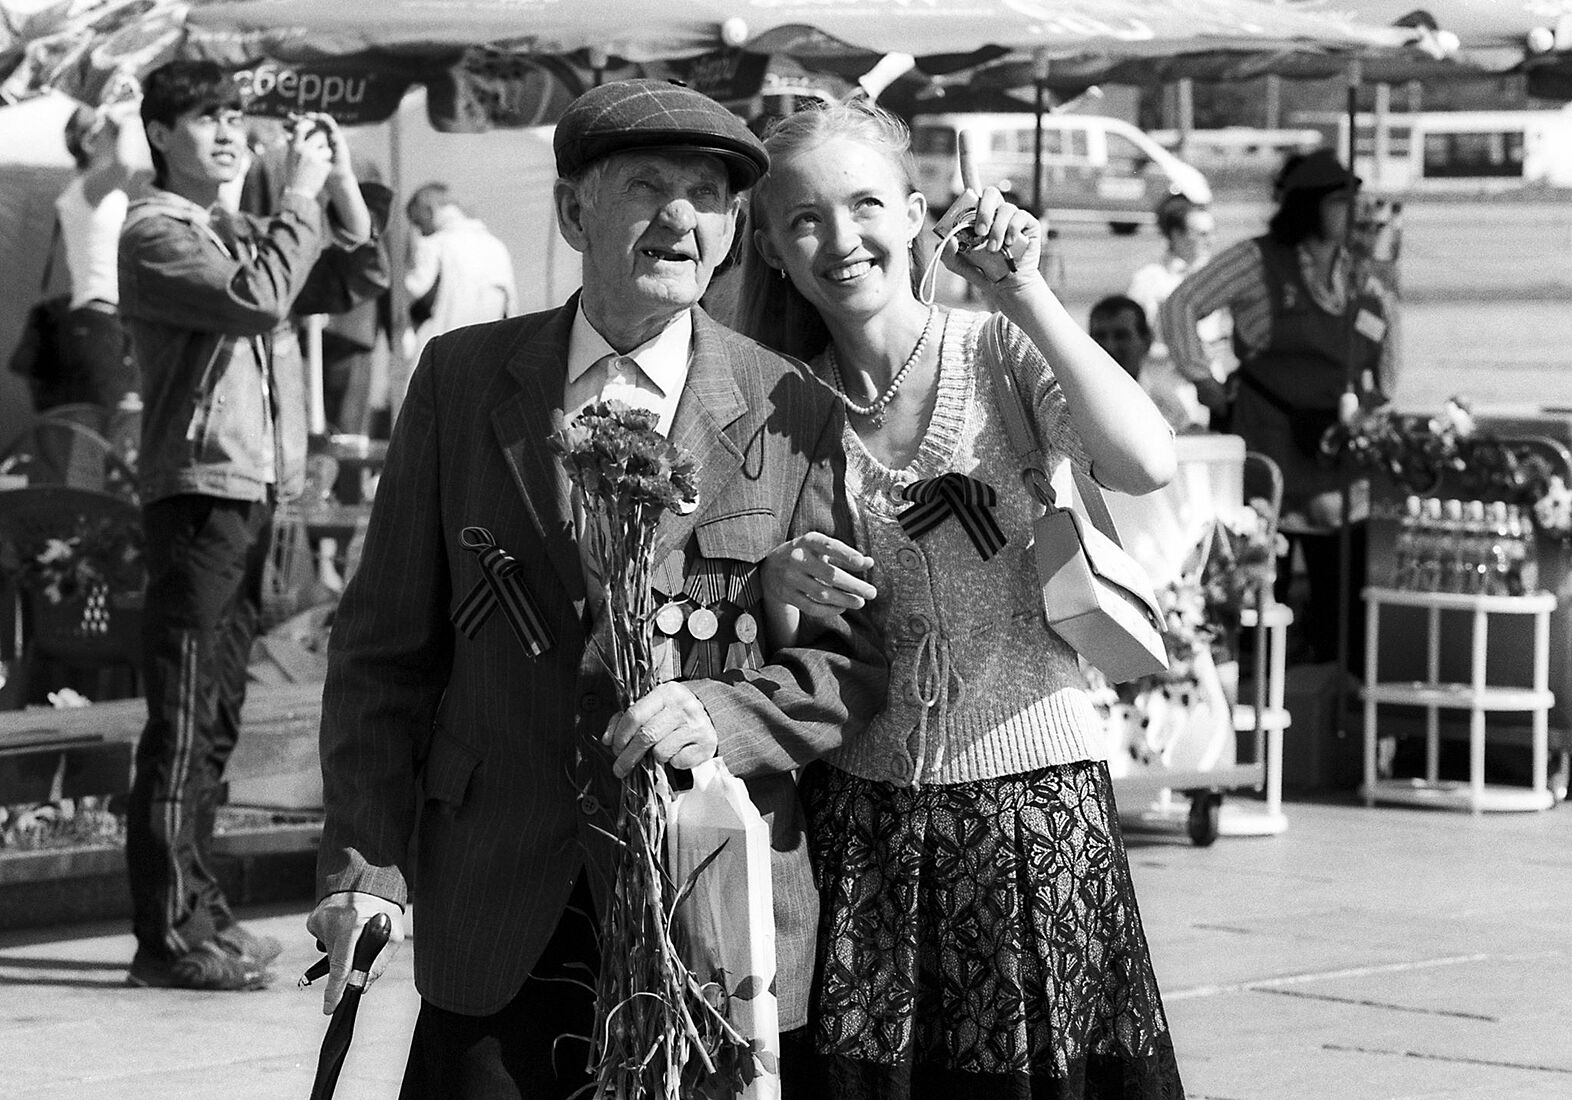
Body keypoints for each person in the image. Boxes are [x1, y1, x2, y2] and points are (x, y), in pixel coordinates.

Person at [306, 79, 887, 1099]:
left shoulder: (792, 405)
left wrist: (718, 715)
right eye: (648, 187)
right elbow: (380, 655)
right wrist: (366, 870)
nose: (680, 218)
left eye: (708, 197)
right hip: (499, 898)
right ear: (575, 210)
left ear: (733, 230)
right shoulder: (461, 378)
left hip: (712, 912)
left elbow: (847, 666)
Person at [739, 100, 1185, 1097]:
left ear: (914, 215)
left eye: (866, 205)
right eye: (805, 218)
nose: (841, 239)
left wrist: (1027, 293)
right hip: (861, 823)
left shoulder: (996, 350)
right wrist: (778, 586)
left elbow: (1146, 460)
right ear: (769, 248)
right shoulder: (781, 404)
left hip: (1036, 806)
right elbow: (782, 640)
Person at [120, 60, 387, 991]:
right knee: (185, 717)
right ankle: (168, 937)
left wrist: (338, 183)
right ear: (161, 135)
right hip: (196, 496)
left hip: (246, 492)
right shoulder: (156, 233)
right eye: (207, 118)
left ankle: (202, 913)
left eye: (236, 116)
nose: (230, 131)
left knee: (216, 717)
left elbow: (357, 276)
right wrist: (300, 195)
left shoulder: (231, 233)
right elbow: (261, 299)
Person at [1160, 147, 1393, 665]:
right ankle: (1256, 690)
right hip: (1269, 445)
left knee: (1343, 604)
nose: (1354, 212)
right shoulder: (1256, 260)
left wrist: (1372, 404)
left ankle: (1335, 692)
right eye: (1340, 201)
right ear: (1310, 207)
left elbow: (1385, 348)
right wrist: (1204, 380)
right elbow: (1180, 306)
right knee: (1262, 591)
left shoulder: (1358, 271)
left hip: (1334, 457)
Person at [49, 101, 151, 418]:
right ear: (88, 141)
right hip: (98, 318)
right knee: (108, 418)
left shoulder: (93, 191)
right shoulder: (86, 189)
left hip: (110, 316)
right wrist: (120, 120)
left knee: (120, 418)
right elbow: (123, 166)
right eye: (105, 126)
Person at [395, 181, 517, 420]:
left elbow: (412, 288)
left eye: (418, 223)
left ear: (430, 210)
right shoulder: (496, 247)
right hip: (488, 355)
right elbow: (511, 309)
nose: (420, 231)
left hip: (442, 351)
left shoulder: (436, 244)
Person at [1126, 193, 1227, 432]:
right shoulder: (1150, 280)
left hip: (1210, 392)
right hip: (1165, 394)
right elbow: (1135, 342)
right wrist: (1181, 353)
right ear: (1176, 235)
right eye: (1201, 234)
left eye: (1212, 233)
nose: (1210, 240)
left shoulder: (1214, 279)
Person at [1089, 293, 1201, 434]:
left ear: (1146, 341)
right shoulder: (1073, 399)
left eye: (1121, 336)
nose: (1109, 346)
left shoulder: (1163, 403)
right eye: (1100, 336)